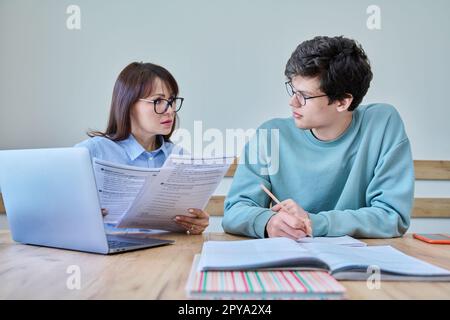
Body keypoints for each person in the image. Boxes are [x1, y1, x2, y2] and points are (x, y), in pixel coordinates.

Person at [223, 36, 414, 239]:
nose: (293, 103)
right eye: (293, 90)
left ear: (342, 101)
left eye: (304, 96)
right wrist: (268, 222)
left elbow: (392, 216)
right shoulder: (270, 135)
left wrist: (316, 222)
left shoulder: (382, 123)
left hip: (359, 261)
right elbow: (235, 211)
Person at [75, 62, 209, 235]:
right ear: (129, 105)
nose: (170, 110)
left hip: (167, 254)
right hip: (110, 256)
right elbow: (61, 214)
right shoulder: (91, 152)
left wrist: (197, 223)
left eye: (172, 100)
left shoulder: (181, 157)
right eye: (158, 101)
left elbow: (188, 221)